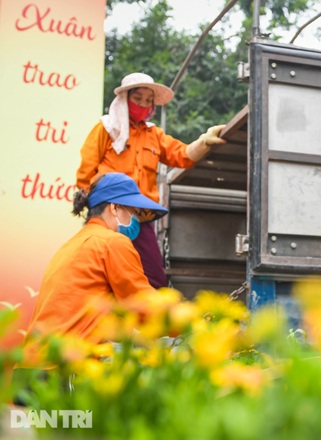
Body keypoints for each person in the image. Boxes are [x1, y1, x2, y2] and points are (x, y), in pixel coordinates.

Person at [76, 72, 226, 289]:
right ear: (125, 99)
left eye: (148, 100)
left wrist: (204, 141)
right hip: (109, 211)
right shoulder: (106, 128)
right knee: (102, 273)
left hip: (140, 216)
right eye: (138, 99)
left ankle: (148, 319)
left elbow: (182, 155)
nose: (143, 104)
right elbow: (85, 173)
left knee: (154, 278)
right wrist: (95, 211)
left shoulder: (154, 134)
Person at [24, 172, 166, 345]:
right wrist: (190, 325)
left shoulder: (73, 244)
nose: (135, 220)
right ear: (114, 208)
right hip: (64, 365)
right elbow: (143, 305)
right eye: (133, 212)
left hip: (33, 363)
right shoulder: (112, 242)